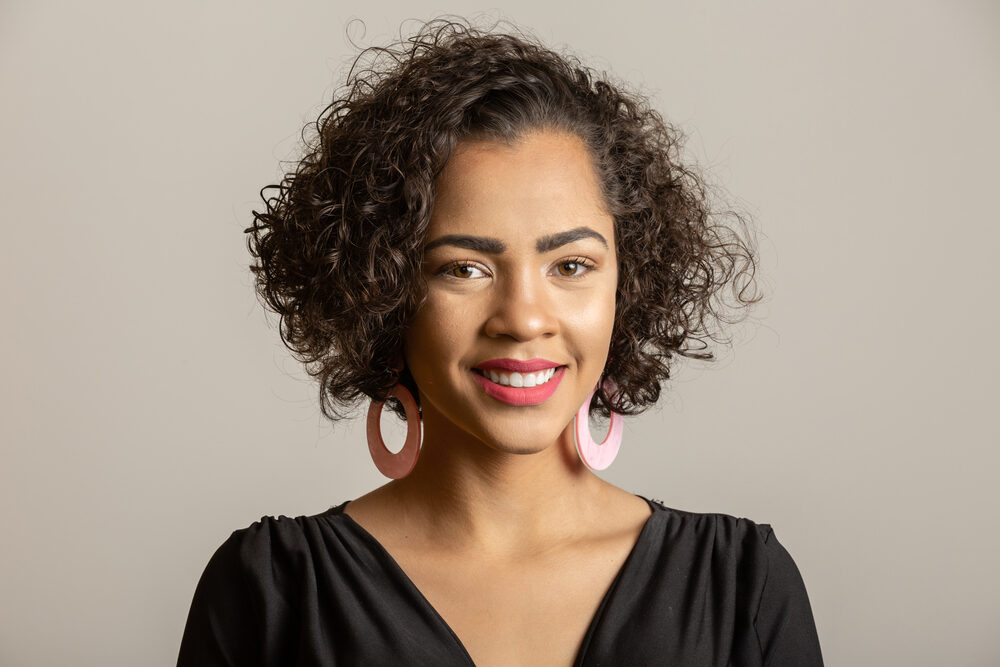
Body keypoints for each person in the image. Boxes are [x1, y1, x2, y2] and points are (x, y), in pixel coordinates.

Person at [177, 19, 823, 666]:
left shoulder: (744, 592)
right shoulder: (272, 596)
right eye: (464, 268)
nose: (522, 318)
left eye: (570, 265)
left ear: (627, 286)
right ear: (382, 288)